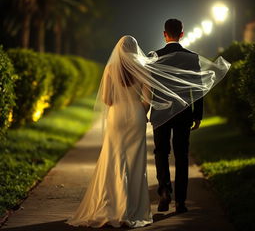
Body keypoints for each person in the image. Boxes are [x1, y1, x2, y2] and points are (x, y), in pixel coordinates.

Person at [66, 35, 230, 228]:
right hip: (136, 116)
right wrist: (139, 112)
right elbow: (147, 99)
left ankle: (113, 205)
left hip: (116, 116)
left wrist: (120, 103)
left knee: (115, 158)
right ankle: (132, 208)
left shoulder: (110, 69)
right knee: (135, 161)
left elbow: (107, 100)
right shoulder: (142, 68)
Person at [149, 18, 204, 213]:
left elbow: (149, 87)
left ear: (164, 34)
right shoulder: (192, 57)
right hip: (183, 112)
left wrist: (147, 108)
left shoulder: (154, 56)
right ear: (182, 33)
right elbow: (197, 89)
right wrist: (198, 115)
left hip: (161, 112)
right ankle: (180, 201)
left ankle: (165, 192)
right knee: (181, 156)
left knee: (161, 153)